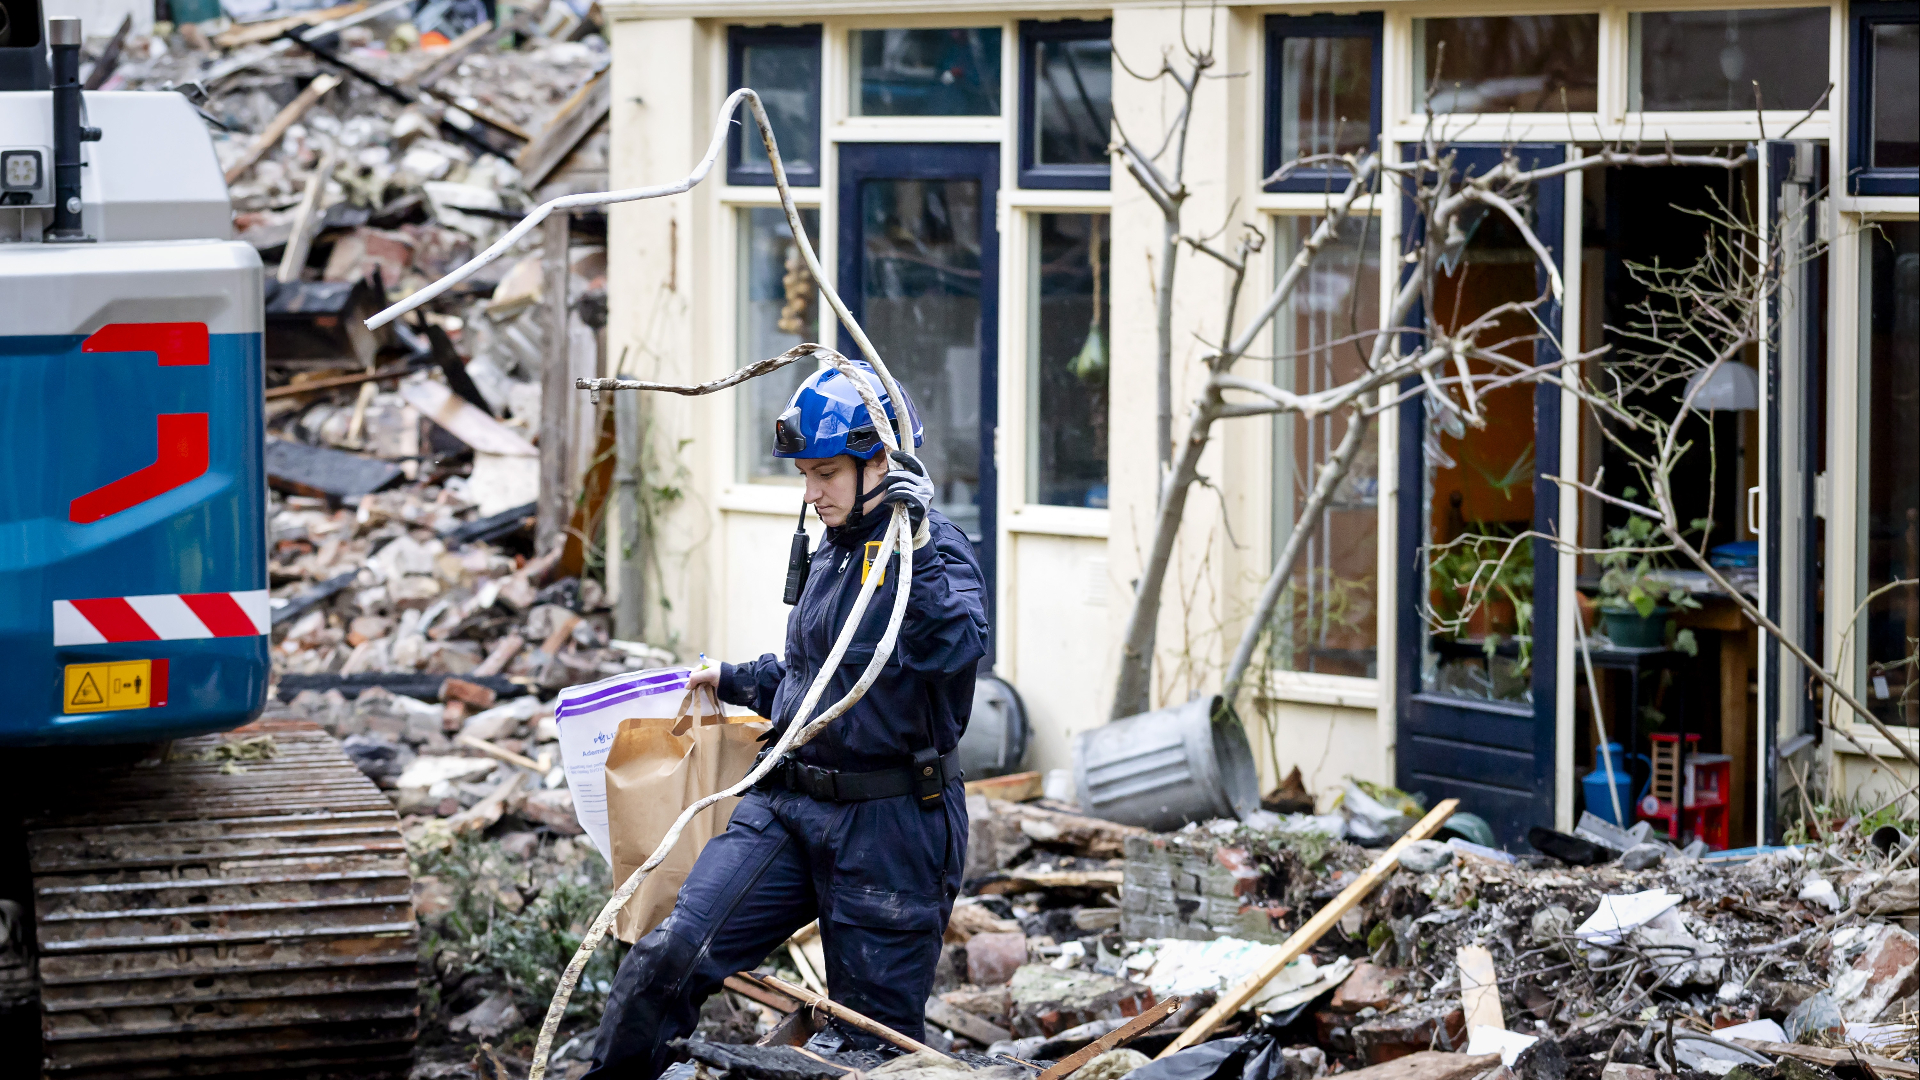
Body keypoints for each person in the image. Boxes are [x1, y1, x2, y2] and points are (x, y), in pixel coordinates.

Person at [583, 361, 990, 1079]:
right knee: (669, 955)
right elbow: (819, 678)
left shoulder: (934, 553)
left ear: (885, 463)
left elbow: (954, 649)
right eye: (805, 474)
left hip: (891, 828)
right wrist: (734, 677)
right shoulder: (835, 548)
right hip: (789, 804)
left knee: (869, 1046)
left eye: (826, 473)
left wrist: (920, 549)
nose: (812, 492)